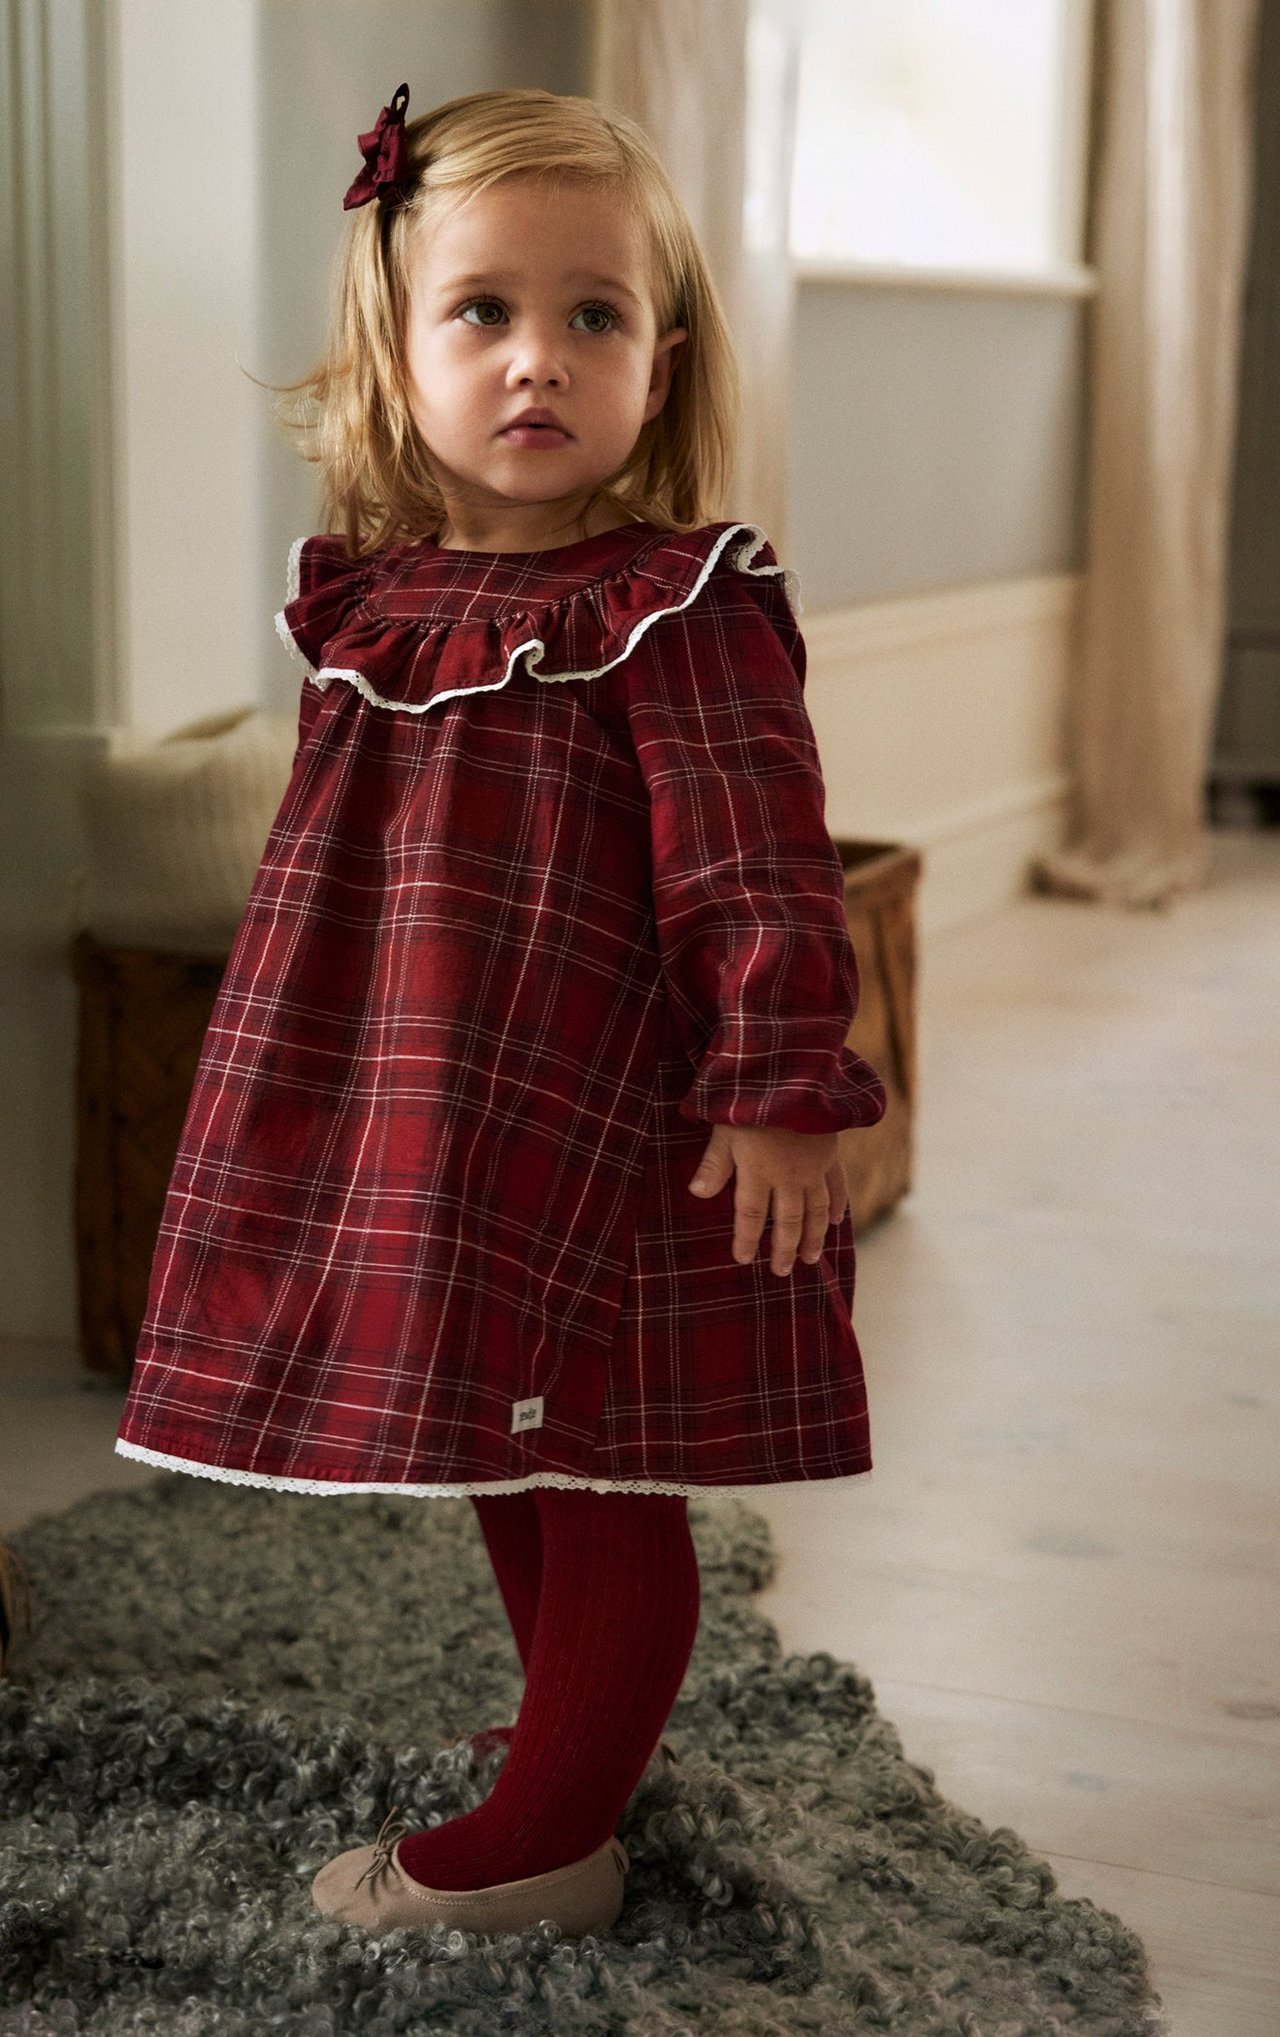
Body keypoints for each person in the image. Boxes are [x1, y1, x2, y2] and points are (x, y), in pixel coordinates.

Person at [114, 81, 887, 1940]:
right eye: (484, 311)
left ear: (661, 356)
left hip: (614, 1109)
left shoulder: (675, 601)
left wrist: (778, 1079)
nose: (538, 360)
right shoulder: (369, 605)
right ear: (397, 342)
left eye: (593, 316)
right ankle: (576, 1741)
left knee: (606, 1451)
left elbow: (760, 855)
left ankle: (553, 1838)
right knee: (499, 1433)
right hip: (435, 1106)